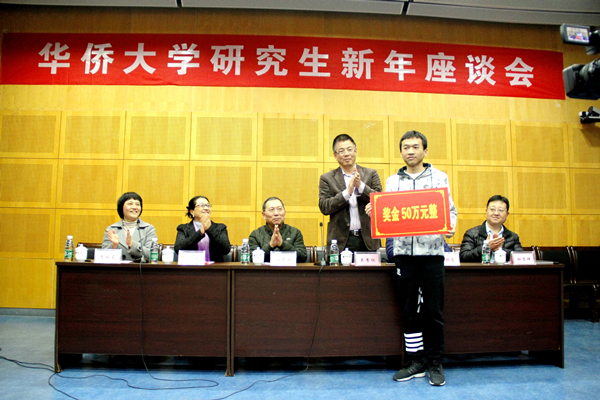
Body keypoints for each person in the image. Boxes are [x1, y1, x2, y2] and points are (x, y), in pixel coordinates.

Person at [368, 130, 457, 387]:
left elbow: (449, 211)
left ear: (425, 151)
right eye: (406, 147)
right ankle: (415, 361)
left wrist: (449, 226)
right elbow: (389, 216)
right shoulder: (393, 181)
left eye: (415, 147)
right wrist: (376, 212)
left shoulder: (439, 177)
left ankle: (435, 362)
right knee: (409, 312)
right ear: (401, 152)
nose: (410, 151)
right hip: (404, 256)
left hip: (432, 255)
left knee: (433, 311)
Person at [319, 134, 382, 255]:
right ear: (335, 155)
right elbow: (324, 207)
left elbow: (380, 201)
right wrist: (347, 193)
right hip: (340, 242)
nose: (346, 154)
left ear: (356, 151)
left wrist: (360, 186)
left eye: (349, 149)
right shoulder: (327, 178)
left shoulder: (371, 174)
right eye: (341, 151)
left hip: (367, 240)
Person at [459, 195, 523, 263]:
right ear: (486, 211)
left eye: (501, 210)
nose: (496, 213)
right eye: (492, 209)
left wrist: (500, 250)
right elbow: (463, 257)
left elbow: (521, 258)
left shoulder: (513, 237)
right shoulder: (471, 234)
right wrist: (486, 248)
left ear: (507, 214)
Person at [174, 196, 232, 262]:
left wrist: (210, 229)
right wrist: (200, 233)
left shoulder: (220, 228)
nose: (206, 208)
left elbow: (226, 250)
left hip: (215, 267)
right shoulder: (183, 228)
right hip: (191, 267)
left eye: (208, 205)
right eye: (201, 205)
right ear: (192, 211)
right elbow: (178, 249)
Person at [102, 192, 157, 261]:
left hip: (139, 267)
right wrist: (114, 246)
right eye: (130, 204)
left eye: (137, 204)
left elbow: (152, 255)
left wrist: (132, 244)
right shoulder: (111, 229)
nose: (134, 207)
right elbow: (103, 256)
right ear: (121, 207)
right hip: (117, 267)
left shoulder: (148, 229)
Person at [249, 197, 307, 262]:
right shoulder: (256, 235)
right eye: (271, 210)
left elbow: (303, 257)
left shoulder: (295, 232)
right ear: (264, 215)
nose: (276, 213)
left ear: (284, 213)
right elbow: (251, 259)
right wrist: (270, 245)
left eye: (279, 209)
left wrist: (282, 244)